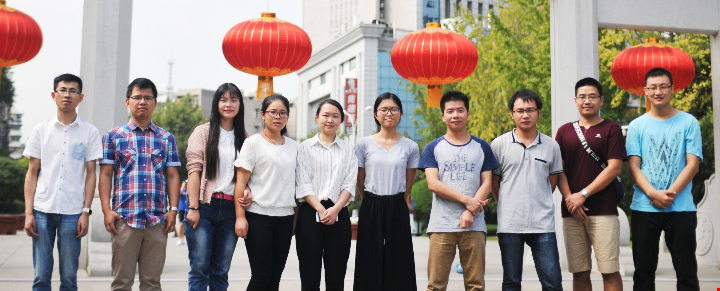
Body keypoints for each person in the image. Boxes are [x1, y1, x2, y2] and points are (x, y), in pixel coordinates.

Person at [99, 78, 182, 291]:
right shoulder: (113, 136)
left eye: (148, 97)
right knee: (121, 283)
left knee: (152, 283)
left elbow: (173, 176)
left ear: (155, 102)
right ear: (128, 102)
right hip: (125, 219)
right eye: (137, 97)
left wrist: (173, 210)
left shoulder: (166, 138)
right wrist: (107, 210)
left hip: (157, 220)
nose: (142, 102)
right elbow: (106, 174)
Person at [22, 73, 102, 291]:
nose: (67, 95)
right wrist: (28, 213)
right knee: (41, 276)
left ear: (81, 97)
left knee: (69, 276)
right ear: (53, 95)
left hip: (73, 211)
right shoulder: (41, 130)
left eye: (73, 91)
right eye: (63, 90)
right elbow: (32, 172)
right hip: (42, 210)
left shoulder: (90, 132)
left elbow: (91, 174)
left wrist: (86, 211)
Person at [627, 68, 702, 291]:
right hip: (644, 207)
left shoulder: (689, 122)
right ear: (645, 91)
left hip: (681, 208)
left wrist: (669, 195)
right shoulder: (637, 125)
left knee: (687, 272)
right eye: (653, 87)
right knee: (643, 274)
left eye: (663, 86)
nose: (658, 92)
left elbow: (693, 165)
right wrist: (652, 193)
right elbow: (633, 165)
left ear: (672, 89)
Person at [419, 91, 499, 291]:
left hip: (474, 226)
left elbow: (487, 183)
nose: (455, 115)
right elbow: (433, 184)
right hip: (441, 225)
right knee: (436, 285)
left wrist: (469, 210)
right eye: (450, 111)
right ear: (443, 116)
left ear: (468, 114)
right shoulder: (433, 147)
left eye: (460, 110)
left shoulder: (482, 147)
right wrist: (468, 201)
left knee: (475, 286)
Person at [555, 77, 626, 291]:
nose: (587, 101)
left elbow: (614, 168)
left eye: (592, 96)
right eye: (583, 97)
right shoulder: (564, 131)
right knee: (579, 272)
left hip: (604, 210)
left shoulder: (611, 129)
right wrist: (571, 200)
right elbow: (559, 170)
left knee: (609, 270)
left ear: (601, 100)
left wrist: (583, 194)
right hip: (572, 212)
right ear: (575, 100)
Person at [490, 89, 564, 291]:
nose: (525, 115)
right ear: (512, 114)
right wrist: (506, 202)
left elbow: (553, 180)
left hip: (542, 224)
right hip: (510, 224)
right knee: (511, 282)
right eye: (520, 110)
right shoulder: (498, 145)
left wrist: (537, 199)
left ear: (539, 113)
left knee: (553, 282)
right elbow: (494, 182)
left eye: (530, 110)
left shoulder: (551, 145)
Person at [184, 83, 253, 290]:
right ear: (216, 103)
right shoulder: (202, 132)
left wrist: (248, 190)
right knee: (200, 268)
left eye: (233, 100)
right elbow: (194, 171)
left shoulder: (246, 138)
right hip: (205, 206)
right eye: (223, 100)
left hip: (232, 209)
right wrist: (193, 207)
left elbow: (248, 177)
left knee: (221, 271)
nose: (228, 104)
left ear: (240, 104)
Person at [354, 92, 419, 291]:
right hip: (371, 203)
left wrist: (403, 198)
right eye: (384, 109)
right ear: (375, 114)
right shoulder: (363, 144)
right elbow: (360, 178)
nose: (389, 113)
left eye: (394, 109)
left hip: (397, 203)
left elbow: (410, 179)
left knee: (399, 256)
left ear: (400, 114)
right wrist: (369, 200)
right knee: (368, 255)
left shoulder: (410, 146)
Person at [233, 94, 298, 291]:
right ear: (263, 114)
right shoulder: (253, 143)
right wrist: (240, 217)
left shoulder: (294, 146)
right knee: (261, 275)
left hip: (285, 218)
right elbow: (241, 181)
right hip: (259, 216)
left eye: (283, 113)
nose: (277, 117)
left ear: (287, 116)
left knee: (275, 277)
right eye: (273, 112)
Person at [295, 99, 357, 291]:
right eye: (326, 115)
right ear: (317, 117)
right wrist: (322, 210)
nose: (330, 120)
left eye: (335, 116)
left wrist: (336, 209)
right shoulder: (304, 147)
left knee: (336, 276)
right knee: (309, 275)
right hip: (309, 214)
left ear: (341, 120)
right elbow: (303, 183)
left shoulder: (348, 149)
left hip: (340, 215)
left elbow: (349, 182)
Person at [177, 180, 187, 245]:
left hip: (187, 209)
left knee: (186, 225)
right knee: (181, 224)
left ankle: (184, 238)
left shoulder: (189, 190)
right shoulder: (182, 190)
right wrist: (182, 186)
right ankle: (180, 238)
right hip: (182, 209)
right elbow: (178, 194)